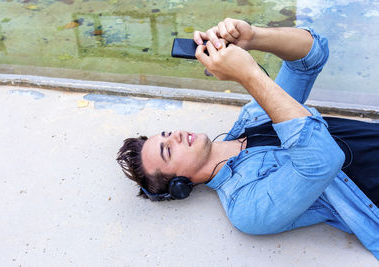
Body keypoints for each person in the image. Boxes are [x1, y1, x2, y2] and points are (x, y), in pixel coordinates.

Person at [117, 18, 379, 260]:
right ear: (180, 184)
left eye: (166, 134)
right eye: (168, 151)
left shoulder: (251, 119)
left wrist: (254, 37)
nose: (174, 136)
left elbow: (312, 55)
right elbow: (323, 160)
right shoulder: (246, 206)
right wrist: (248, 75)